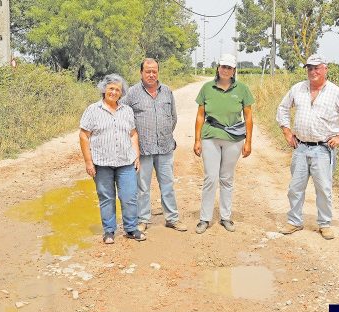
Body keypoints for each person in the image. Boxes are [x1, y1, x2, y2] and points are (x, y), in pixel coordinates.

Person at [276, 54, 339, 240]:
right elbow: (283, 108)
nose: (313, 71)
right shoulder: (298, 89)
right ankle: (294, 221)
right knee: (295, 187)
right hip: (300, 147)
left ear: (325, 69)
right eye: (309, 68)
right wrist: (286, 131)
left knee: (323, 188)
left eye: (317, 68)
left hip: (323, 149)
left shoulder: (335, 92)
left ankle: (324, 224)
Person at [79, 74, 146, 244]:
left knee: (129, 196)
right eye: (111, 88)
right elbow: (84, 135)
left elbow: (133, 134)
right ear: (104, 90)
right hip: (101, 163)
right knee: (106, 197)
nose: (114, 92)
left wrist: (136, 155)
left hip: (125, 162)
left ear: (121, 93)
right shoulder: (93, 110)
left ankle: (131, 229)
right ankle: (109, 231)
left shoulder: (127, 111)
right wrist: (88, 162)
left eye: (118, 89)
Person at [123, 58, 187, 232]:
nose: (151, 74)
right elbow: (124, 119)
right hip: (142, 150)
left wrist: (165, 133)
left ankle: (172, 218)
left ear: (158, 72)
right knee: (142, 187)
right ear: (141, 73)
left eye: (154, 71)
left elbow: (173, 118)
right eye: (147, 71)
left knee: (168, 185)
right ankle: (143, 220)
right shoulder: (132, 93)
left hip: (165, 147)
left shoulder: (167, 91)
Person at [193, 53, 254, 234]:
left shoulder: (242, 89)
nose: (225, 70)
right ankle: (205, 218)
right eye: (223, 67)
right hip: (210, 136)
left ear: (234, 70)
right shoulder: (207, 88)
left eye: (229, 67)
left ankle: (226, 217)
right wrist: (197, 139)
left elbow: (248, 116)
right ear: (218, 68)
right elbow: (200, 115)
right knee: (210, 178)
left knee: (227, 178)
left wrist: (249, 141)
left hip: (234, 139)